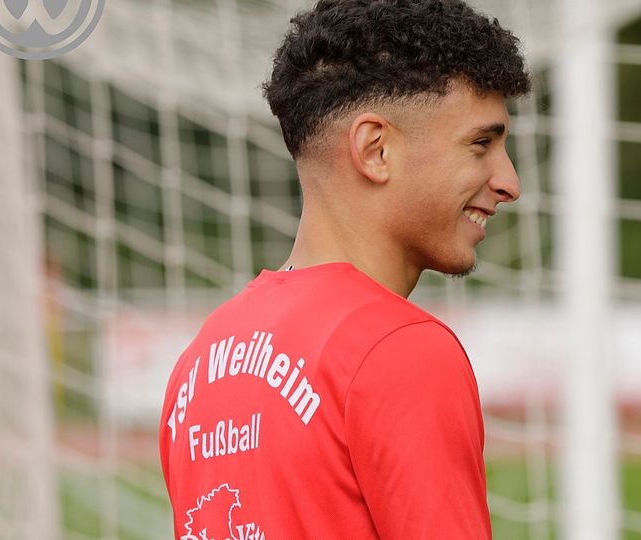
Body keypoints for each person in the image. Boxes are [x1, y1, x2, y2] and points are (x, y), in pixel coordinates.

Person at [158, 0, 530, 538]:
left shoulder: (201, 361)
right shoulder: (398, 349)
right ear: (375, 150)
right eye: (480, 145)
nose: (508, 181)